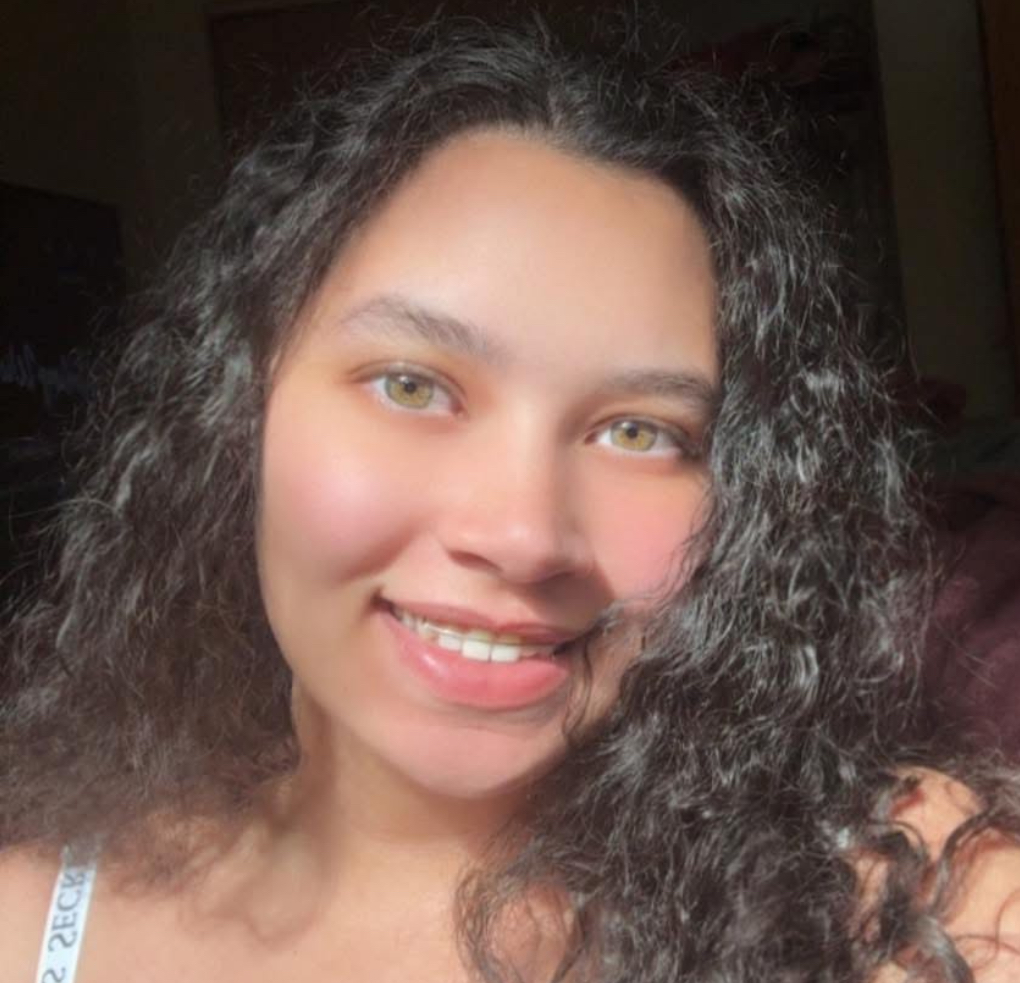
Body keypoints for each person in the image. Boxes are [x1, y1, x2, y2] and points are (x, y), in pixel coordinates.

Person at [2, 18, 1019, 983]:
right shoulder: (31, 908)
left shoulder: (921, 904)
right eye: (413, 385)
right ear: (239, 404)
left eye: (640, 431)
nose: (525, 534)